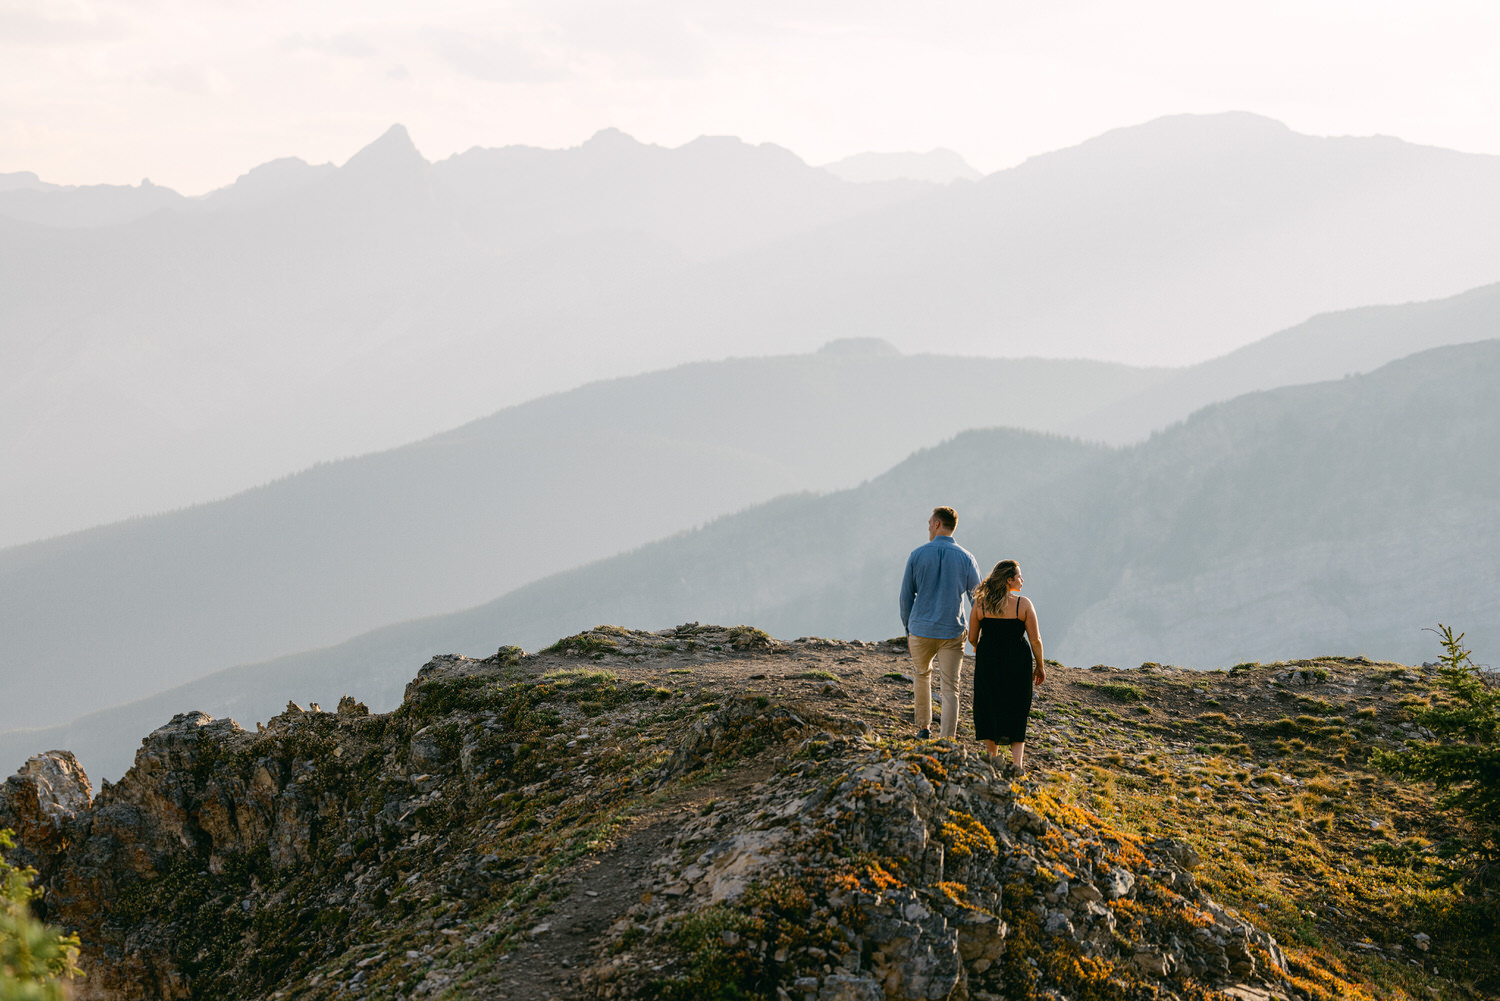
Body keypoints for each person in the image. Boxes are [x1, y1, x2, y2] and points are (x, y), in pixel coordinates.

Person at [899, 506, 981, 740]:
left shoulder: (917, 555)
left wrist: (908, 629)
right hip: (952, 631)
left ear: (937, 524)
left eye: (929, 523)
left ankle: (923, 729)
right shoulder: (966, 558)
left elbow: (906, 596)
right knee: (950, 687)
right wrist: (975, 634)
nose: (928, 527)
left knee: (922, 675)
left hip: (920, 629)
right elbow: (977, 600)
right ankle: (947, 739)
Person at [967, 559, 1046, 771]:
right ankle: (1017, 765)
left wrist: (984, 648)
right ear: (1009, 580)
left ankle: (992, 760)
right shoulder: (1023, 604)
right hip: (1017, 662)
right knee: (1017, 708)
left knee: (989, 703)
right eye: (1019, 576)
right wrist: (1040, 665)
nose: (1022, 579)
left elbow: (972, 637)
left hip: (988, 661)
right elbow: (1035, 639)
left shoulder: (980, 604)